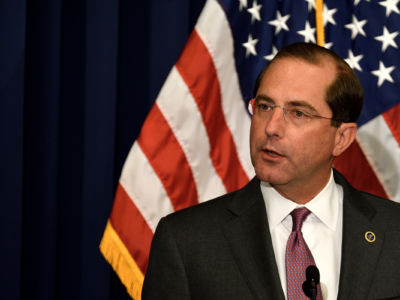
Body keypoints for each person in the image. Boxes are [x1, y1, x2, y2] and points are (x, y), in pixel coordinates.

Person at [141, 42, 400, 300]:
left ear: (341, 138)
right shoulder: (187, 242)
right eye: (264, 107)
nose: (271, 127)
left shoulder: (394, 233)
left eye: (298, 113)